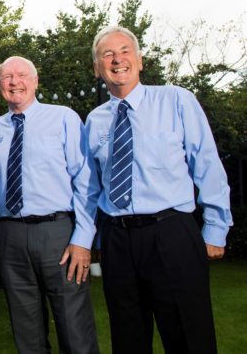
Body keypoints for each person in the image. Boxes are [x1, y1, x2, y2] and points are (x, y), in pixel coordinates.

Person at [86, 26, 233, 354]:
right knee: (128, 340)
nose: (117, 59)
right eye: (107, 54)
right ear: (97, 67)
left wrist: (216, 229)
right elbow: (92, 188)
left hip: (171, 234)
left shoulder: (176, 100)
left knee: (188, 337)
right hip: (118, 241)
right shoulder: (94, 121)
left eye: (124, 51)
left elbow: (207, 165)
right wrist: (94, 240)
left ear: (139, 60)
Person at [0, 56, 100, 354]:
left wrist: (83, 240)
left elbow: (85, 180)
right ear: (0, 85)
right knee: (26, 331)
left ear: (35, 81)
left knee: (74, 328)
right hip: (11, 235)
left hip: (58, 234)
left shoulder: (64, 118)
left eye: (21, 75)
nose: (14, 82)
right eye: (7, 77)